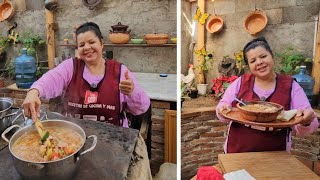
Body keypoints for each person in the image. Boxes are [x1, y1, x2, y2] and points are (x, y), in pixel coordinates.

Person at [22, 22, 150, 127]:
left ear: (102, 43)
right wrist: (34, 91)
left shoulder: (120, 71)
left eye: (92, 42)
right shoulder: (70, 67)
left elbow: (141, 108)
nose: (87, 47)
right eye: (81, 45)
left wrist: (132, 92)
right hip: (74, 138)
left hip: (114, 140)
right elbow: (51, 79)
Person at [216, 37, 319, 153]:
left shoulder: (291, 86)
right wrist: (223, 110)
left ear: (271, 56)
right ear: (248, 66)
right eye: (253, 61)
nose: (259, 62)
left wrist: (306, 121)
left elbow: (308, 126)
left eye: (263, 56)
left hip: (276, 155)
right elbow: (222, 109)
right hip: (237, 152)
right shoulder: (240, 82)